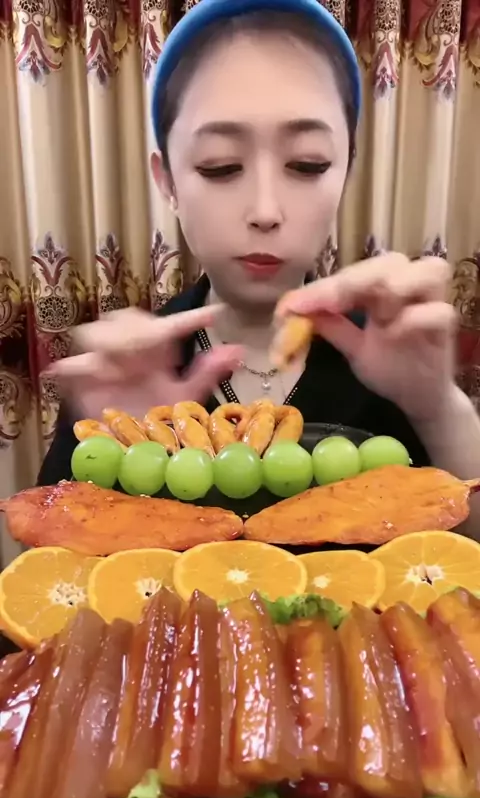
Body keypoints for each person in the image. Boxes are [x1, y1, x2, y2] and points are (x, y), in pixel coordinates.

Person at [37, 0, 480, 539]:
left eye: (308, 164)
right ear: (167, 181)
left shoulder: (395, 365)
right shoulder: (126, 378)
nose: (266, 211)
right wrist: (107, 452)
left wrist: (439, 410)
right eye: (220, 166)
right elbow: (38, 579)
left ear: (346, 172)